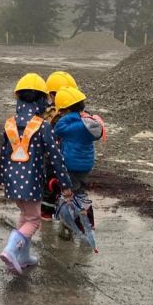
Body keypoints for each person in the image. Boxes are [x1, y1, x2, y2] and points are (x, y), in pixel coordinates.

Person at [0, 73, 73, 274]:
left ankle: (23, 257)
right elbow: (56, 158)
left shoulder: (9, 123)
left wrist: (2, 179)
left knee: (25, 215)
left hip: (12, 180)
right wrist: (65, 184)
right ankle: (12, 248)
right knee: (34, 219)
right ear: (42, 99)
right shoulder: (44, 126)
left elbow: (4, 154)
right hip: (31, 182)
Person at [53, 86, 105, 229]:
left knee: (70, 195)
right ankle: (89, 223)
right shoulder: (89, 123)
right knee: (80, 191)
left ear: (67, 110)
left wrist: (70, 116)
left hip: (71, 165)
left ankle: (72, 225)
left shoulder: (73, 125)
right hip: (86, 165)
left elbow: (58, 129)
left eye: (62, 110)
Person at [40, 71, 78, 220]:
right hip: (70, 157)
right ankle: (67, 215)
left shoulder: (48, 113)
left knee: (50, 185)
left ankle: (48, 213)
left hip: (52, 157)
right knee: (69, 186)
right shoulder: (76, 113)